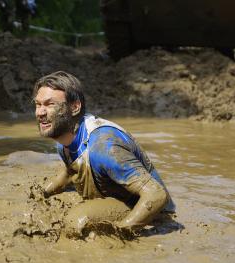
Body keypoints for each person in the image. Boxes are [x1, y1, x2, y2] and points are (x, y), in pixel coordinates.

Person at [33, 71, 175, 235]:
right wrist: (42, 194)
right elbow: (69, 171)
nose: (40, 112)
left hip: (151, 212)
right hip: (118, 197)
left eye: (50, 104)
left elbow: (156, 195)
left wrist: (123, 231)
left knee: (76, 221)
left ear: (75, 107)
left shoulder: (103, 147)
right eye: (38, 104)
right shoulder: (65, 137)